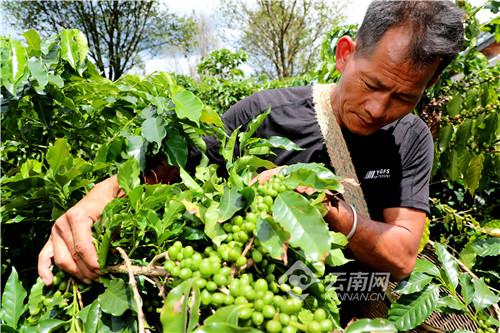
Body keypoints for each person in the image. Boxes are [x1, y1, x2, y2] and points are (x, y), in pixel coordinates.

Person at [38, 0, 464, 286]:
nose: (377, 109)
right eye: (372, 84)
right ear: (345, 54)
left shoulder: (409, 137)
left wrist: (326, 210)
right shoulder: (263, 113)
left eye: (404, 98)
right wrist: (95, 201)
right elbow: (167, 168)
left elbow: (403, 253)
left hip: (356, 305)